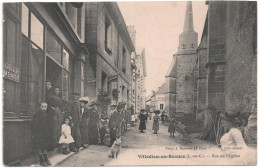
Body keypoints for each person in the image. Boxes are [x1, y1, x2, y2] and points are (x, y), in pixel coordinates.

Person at [32, 102, 52, 166]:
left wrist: (48, 132)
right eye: (42, 107)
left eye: (45, 107)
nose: (44, 108)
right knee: (39, 147)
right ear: (40, 107)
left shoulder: (47, 115)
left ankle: (46, 159)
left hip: (45, 134)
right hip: (39, 133)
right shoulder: (36, 115)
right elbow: (34, 126)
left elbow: (49, 125)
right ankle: (41, 160)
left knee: (44, 147)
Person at [45, 81, 55, 151]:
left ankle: (50, 146)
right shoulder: (44, 93)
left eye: (50, 84)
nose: (49, 86)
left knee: (50, 129)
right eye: (47, 84)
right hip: (46, 113)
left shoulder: (51, 94)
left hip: (50, 114)